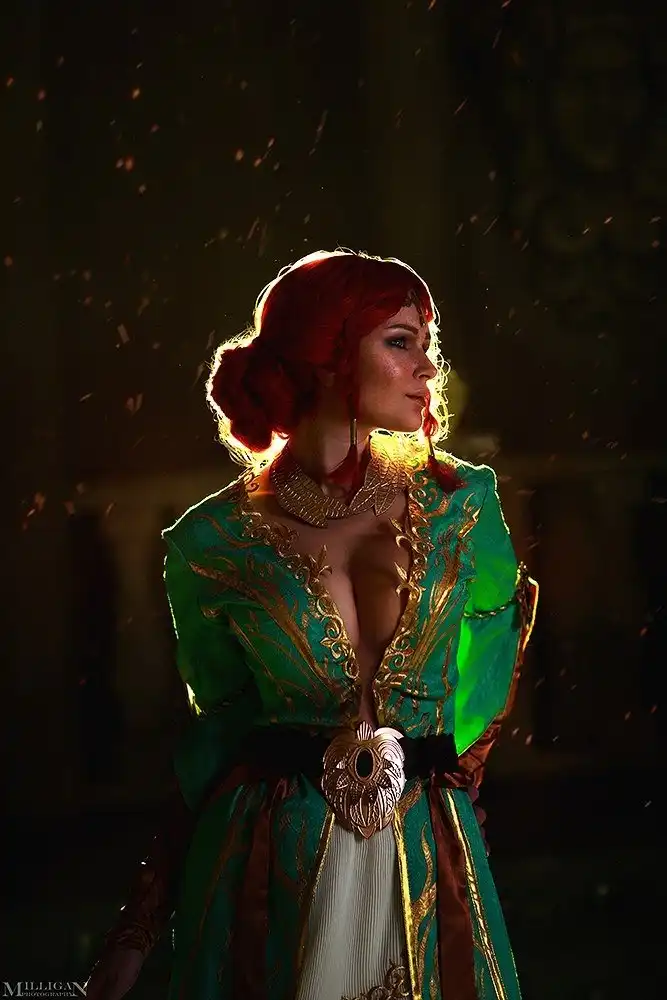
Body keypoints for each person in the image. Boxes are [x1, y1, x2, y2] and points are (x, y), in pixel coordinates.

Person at [86, 249, 538, 1000]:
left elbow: (487, 671)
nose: (427, 368)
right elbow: (217, 740)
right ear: (327, 356)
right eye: (400, 342)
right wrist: (140, 922)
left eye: (427, 345)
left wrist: (456, 792)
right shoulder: (212, 543)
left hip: (429, 855)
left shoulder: (462, 505)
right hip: (271, 864)